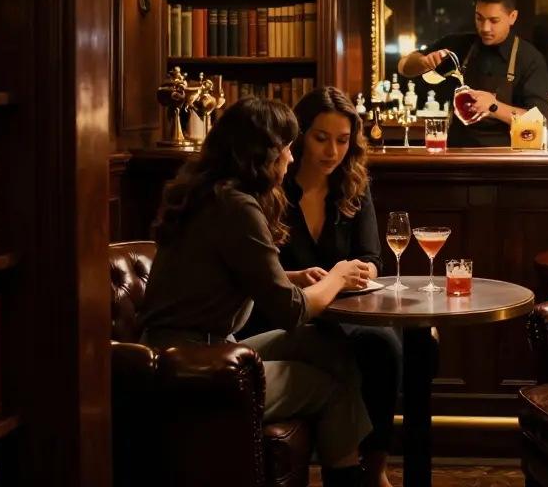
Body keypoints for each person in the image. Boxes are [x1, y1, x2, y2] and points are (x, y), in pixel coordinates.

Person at [139, 96, 375, 487]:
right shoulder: (237, 206)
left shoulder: (212, 192)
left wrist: (292, 276)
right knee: (328, 387)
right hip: (195, 368)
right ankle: (350, 477)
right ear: (260, 154)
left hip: (198, 349)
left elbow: (229, 273)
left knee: (330, 345)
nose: (291, 158)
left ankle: (350, 470)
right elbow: (292, 312)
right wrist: (337, 277)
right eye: (285, 148)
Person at [284, 86, 402, 487]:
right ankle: (344, 467)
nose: (332, 151)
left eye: (342, 140)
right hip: (286, 312)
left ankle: (376, 467)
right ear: (299, 136)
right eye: (321, 138)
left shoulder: (353, 183)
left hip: (345, 307)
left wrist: (357, 272)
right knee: (347, 348)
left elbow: (372, 259)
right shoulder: (273, 185)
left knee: (386, 345)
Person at [397, 0, 548, 147]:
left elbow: (539, 120)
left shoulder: (529, 59)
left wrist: (494, 107)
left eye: (494, 21)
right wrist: (424, 62)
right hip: (457, 155)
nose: (485, 28)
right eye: (479, 18)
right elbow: (404, 67)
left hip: (506, 159)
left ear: (512, 17)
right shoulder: (459, 46)